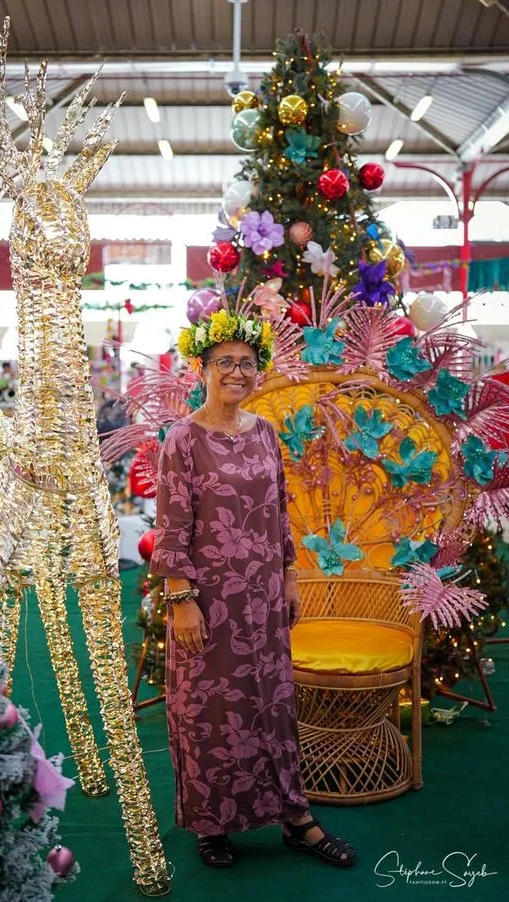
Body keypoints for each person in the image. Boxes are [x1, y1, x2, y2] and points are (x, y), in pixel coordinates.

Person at [149, 310, 357, 869]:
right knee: (211, 709)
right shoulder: (183, 439)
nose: (236, 372)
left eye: (246, 363)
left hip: (263, 599)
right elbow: (171, 525)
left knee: (271, 705)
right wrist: (181, 600)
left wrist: (289, 575)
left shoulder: (264, 431)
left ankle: (295, 817)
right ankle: (212, 823)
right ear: (202, 368)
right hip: (207, 603)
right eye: (225, 362)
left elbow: (278, 511)